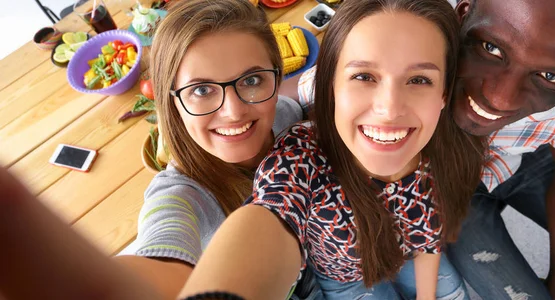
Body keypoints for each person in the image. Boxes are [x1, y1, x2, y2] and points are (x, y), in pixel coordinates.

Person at [0, 0, 319, 299]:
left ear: (276, 78)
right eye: (202, 90)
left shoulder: (284, 115)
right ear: (171, 101)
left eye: (251, 80)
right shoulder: (182, 196)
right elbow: (157, 264)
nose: (234, 111)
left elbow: (306, 90)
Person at [178, 0, 487, 299]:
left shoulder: (442, 152)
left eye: (419, 79)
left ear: (444, 93)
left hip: (410, 256)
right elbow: (274, 212)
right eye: (364, 77)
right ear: (330, 85)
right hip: (346, 281)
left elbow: (426, 240)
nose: (389, 109)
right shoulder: (301, 157)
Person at [292, 0, 555, 299]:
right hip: (450, 194)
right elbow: (310, 91)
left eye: (551, 76)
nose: (501, 99)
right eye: (491, 49)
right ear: (462, 16)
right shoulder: (414, 43)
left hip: (518, 162)